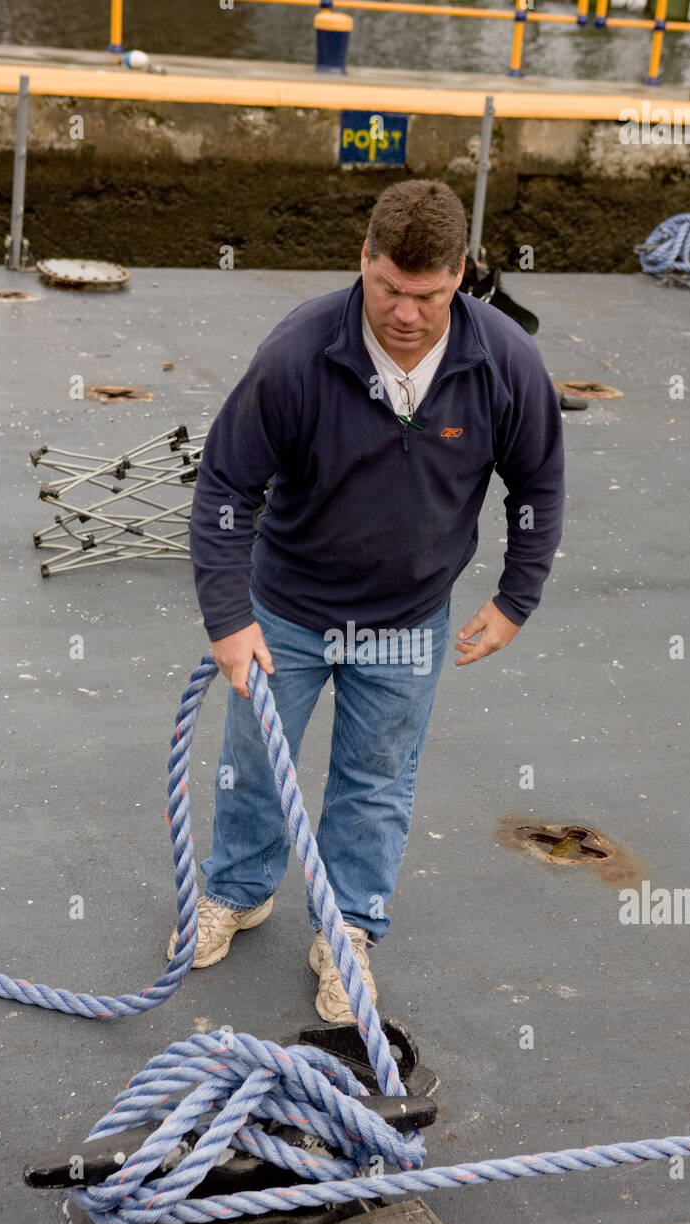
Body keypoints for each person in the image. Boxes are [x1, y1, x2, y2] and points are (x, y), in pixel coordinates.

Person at [170, 179, 564, 1023]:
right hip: (288, 612)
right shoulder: (297, 353)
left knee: (377, 781)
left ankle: (347, 930)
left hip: (408, 620)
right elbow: (226, 487)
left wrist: (515, 598)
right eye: (389, 288)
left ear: (461, 273)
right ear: (364, 261)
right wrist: (229, 619)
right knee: (255, 768)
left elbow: (537, 481)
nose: (406, 314)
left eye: (428, 294)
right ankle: (239, 892)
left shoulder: (505, 363)